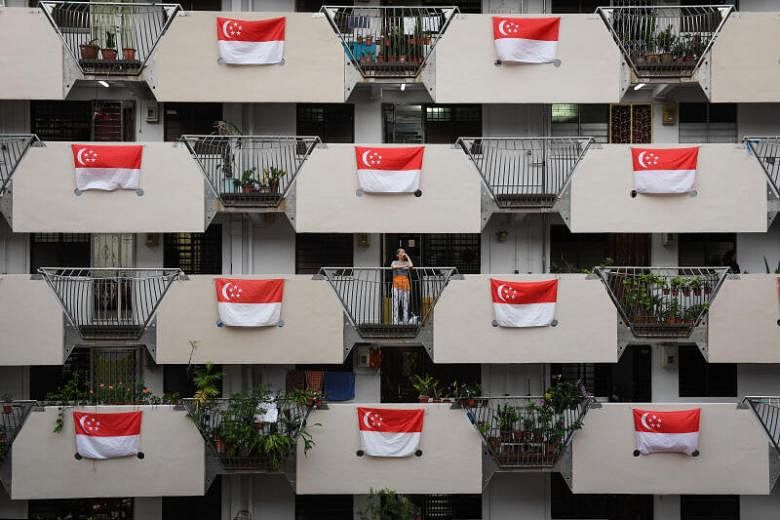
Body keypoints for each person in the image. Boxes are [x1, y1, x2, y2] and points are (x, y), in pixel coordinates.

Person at [390, 248, 413, 325]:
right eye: (402, 252)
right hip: (396, 285)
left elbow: (411, 266)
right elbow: (393, 267)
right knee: (395, 305)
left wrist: (407, 256)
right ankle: (395, 323)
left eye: (404, 252)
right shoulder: (394, 262)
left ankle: (405, 322)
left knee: (405, 305)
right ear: (397, 255)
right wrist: (403, 267)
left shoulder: (406, 262)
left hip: (406, 286)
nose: (403, 253)